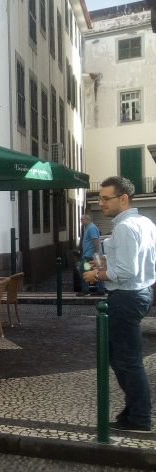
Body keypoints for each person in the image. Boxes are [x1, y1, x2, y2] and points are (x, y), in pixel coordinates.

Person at [83, 176, 156, 432]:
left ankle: (140, 417)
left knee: (127, 360)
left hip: (126, 297)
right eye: (99, 198)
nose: (100, 203)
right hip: (139, 293)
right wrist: (107, 265)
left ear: (123, 198)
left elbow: (126, 271)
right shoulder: (145, 222)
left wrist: (96, 274)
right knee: (118, 357)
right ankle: (133, 410)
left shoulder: (125, 227)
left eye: (106, 198)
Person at [77, 214, 105, 296]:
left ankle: (85, 290)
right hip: (92, 255)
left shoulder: (91, 228)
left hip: (90, 256)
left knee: (84, 271)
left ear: (87, 219)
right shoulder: (88, 227)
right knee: (97, 271)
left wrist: (96, 253)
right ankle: (100, 290)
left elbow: (95, 240)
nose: (81, 221)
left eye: (82, 219)